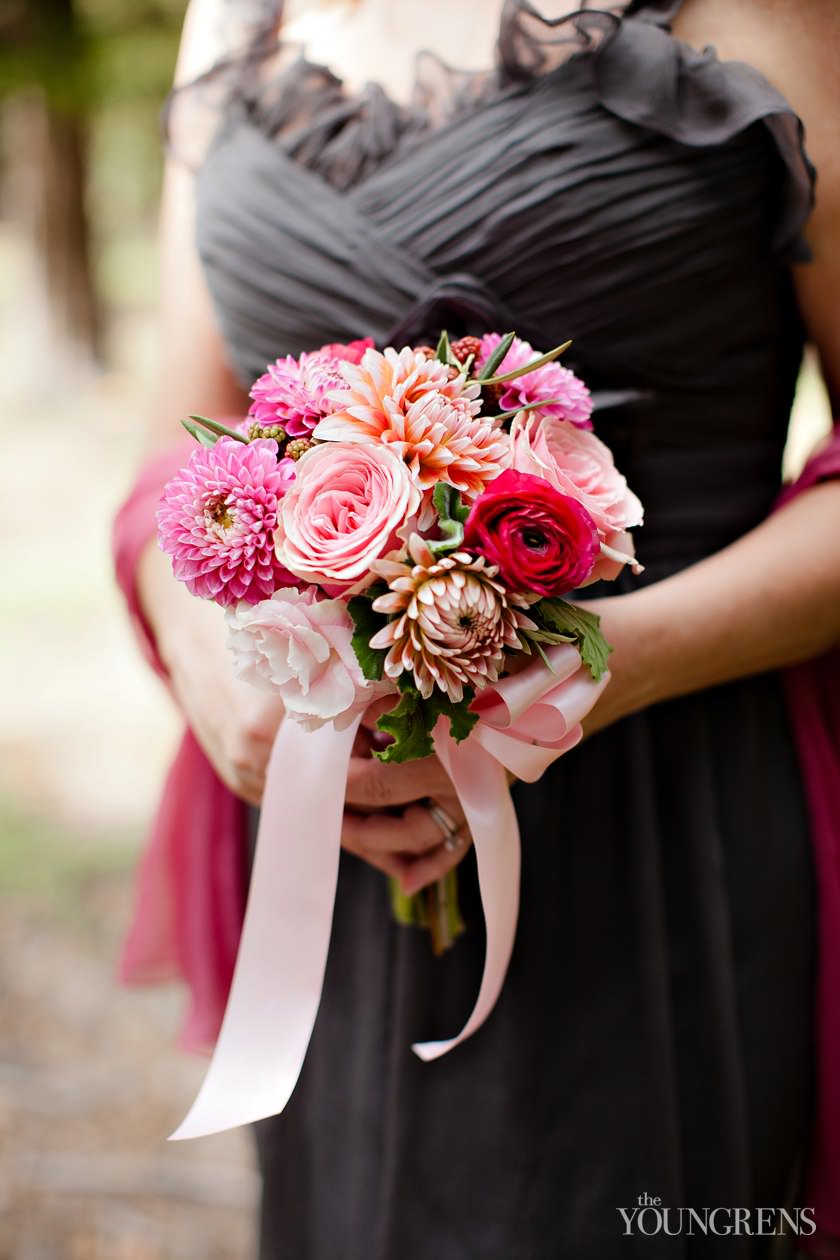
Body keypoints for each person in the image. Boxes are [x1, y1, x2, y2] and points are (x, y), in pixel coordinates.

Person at [114, 0, 840, 1255]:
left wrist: (591, 675)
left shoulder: (768, 13)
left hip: (674, 830)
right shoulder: (237, 15)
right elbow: (178, 453)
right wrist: (213, 678)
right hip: (330, 855)